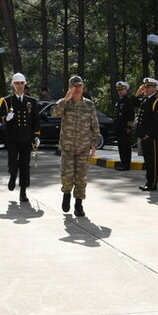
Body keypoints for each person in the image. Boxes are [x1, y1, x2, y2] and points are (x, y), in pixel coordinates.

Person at [52, 76, 99, 216]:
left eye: (80, 86)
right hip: (67, 147)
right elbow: (54, 113)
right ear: (70, 88)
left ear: (83, 87)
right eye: (75, 86)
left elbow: (94, 125)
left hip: (83, 147)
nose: (78, 89)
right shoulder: (65, 103)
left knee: (81, 178)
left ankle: (79, 204)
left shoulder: (89, 104)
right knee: (67, 176)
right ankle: (66, 194)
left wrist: (94, 144)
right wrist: (65, 99)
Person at [0, 73, 40, 203]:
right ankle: (12, 175)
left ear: (25, 84)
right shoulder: (6, 100)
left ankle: (23, 192)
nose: (20, 86)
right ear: (13, 85)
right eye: (17, 83)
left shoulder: (31, 101)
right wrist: (6, 118)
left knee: (25, 166)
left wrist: (36, 136)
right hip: (13, 138)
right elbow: (0, 117)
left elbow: (35, 121)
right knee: (12, 162)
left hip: (27, 139)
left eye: (22, 83)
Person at [134, 77, 158, 191]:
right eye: (144, 87)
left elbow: (157, 120)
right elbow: (133, 104)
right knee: (147, 160)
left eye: (147, 87)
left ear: (154, 88)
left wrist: (149, 133)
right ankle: (149, 181)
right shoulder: (145, 99)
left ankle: (153, 183)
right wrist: (137, 94)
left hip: (152, 136)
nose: (145, 89)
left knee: (153, 160)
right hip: (145, 135)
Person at [113, 81, 134, 171]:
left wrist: (129, 127)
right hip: (119, 128)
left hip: (125, 128)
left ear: (126, 90)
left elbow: (131, 115)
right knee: (121, 147)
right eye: (119, 90)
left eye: (122, 90)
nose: (120, 92)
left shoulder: (127, 101)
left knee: (125, 147)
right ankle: (123, 163)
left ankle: (126, 165)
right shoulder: (119, 101)